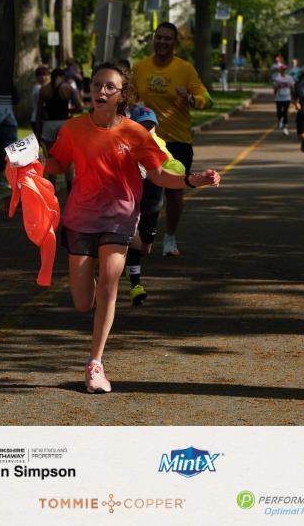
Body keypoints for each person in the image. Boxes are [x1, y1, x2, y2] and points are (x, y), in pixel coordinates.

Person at [45, 63, 221, 393]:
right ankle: (93, 286)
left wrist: (191, 180)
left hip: (120, 216)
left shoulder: (135, 133)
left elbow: (158, 174)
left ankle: (95, 363)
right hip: (81, 218)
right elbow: (57, 164)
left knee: (110, 283)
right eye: (96, 85)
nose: (100, 91)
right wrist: (31, 162)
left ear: (122, 95)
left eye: (109, 87)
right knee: (83, 302)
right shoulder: (73, 129)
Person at [131, 22, 213, 257]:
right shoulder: (140, 68)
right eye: (159, 37)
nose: (162, 42)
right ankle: (140, 238)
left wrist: (190, 98)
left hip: (178, 142)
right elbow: (130, 96)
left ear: (174, 42)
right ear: (153, 39)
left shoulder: (185, 69)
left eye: (167, 38)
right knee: (143, 193)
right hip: (147, 142)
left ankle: (169, 238)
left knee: (175, 193)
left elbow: (207, 99)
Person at [124, 105, 185, 306]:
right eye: (142, 126)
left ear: (156, 127)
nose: (146, 130)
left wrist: (175, 173)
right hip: (129, 202)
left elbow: (173, 164)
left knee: (145, 247)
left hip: (151, 203)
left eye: (150, 126)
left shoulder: (158, 145)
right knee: (131, 240)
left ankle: (129, 263)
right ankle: (135, 284)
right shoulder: (123, 143)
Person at [38, 67, 83, 190]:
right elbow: (80, 107)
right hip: (64, 123)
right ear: (63, 77)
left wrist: (38, 132)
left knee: (50, 158)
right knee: (67, 158)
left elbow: (39, 113)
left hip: (48, 125)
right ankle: (70, 190)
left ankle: (52, 191)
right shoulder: (67, 88)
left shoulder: (44, 89)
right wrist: (69, 110)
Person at [272, 64, 295, 135]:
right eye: (282, 69)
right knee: (279, 111)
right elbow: (274, 87)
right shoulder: (277, 78)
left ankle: (285, 125)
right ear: (280, 70)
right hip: (279, 97)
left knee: (285, 112)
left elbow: (293, 87)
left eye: (285, 69)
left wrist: (293, 94)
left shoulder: (289, 78)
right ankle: (280, 119)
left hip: (287, 97)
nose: (283, 71)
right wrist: (276, 89)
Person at [30, 65, 50, 139]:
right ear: (37, 77)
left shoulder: (37, 87)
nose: (43, 77)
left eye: (45, 75)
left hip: (37, 118)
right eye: (40, 75)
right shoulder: (39, 88)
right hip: (38, 119)